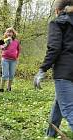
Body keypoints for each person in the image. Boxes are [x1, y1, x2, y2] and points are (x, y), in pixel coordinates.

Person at [34, 0, 73, 137]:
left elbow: (54, 48)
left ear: (58, 10)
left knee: (68, 109)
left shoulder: (57, 22)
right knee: (59, 103)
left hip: (64, 71)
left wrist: (42, 69)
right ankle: (50, 134)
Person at [0, 27, 20, 92]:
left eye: (11, 32)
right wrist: (6, 44)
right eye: (8, 32)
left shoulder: (16, 41)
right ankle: (2, 88)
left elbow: (19, 50)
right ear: (6, 33)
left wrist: (16, 57)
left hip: (13, 60)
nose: (9, 33)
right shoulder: (3, 40)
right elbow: (1, 48)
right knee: (5, 74)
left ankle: (9, 88)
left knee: (11, 74)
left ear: (13, 34)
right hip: (5, 59)